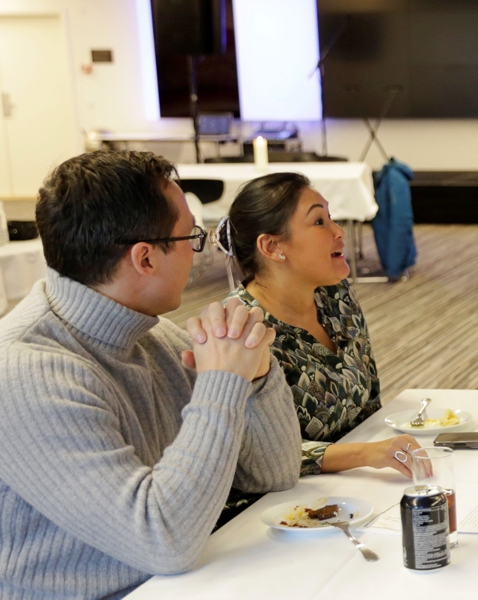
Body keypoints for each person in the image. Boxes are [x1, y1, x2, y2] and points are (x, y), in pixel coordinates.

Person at [0, 151, 300, 598]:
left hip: (183, 582)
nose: (197, 255)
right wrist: (222, 382)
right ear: (145, 259)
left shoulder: (152, 335)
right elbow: (164, 541)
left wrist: (254, 376)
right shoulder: (25, 373)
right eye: (191, 238)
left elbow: (275, 474)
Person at [219, 173, 419, 487]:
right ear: (272, 246)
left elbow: (369, 405)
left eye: (331, 218)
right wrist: (364, 455)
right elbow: (253, 457)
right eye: (319, 222)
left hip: (359, 482)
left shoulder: (334, 294)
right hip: (283, 500)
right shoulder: (239, 329)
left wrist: (383, 452)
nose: (338, 231)